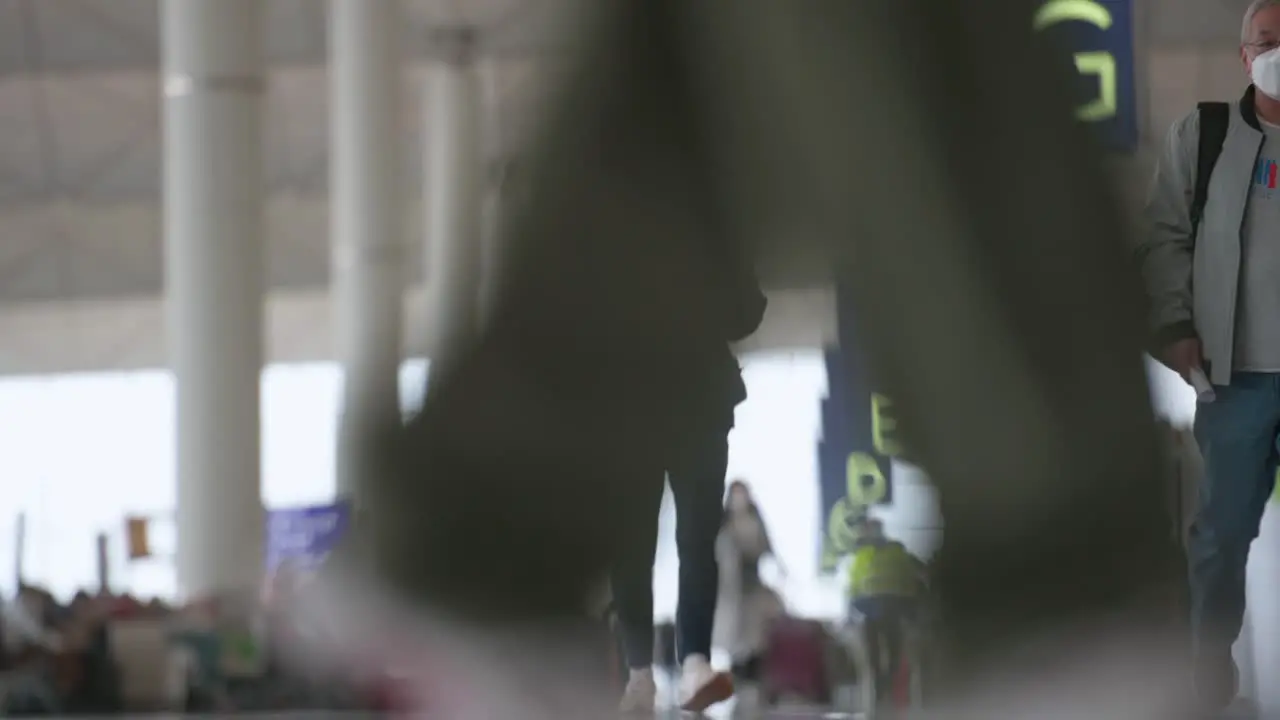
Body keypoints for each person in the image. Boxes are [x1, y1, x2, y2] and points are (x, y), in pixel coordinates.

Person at [1139, 0, 1280, 708]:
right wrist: (1172, 326)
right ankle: (1208, 654)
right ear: (1244, 55)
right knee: (1223, 531)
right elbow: (1166, 238)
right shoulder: (1207, 136)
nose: (1278, 51)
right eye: (1268, 40)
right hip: (1237, 377)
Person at [713, 480, 786, 682]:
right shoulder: (724, 524)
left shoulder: (754, 520)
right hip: (730, 587)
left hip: (752, 583)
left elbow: (766, 547)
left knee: (755, 632)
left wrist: (779, 569)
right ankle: (738, 672)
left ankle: (752, 673)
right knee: (734, 633)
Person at [846, 518, 924, 701]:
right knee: (876, 657)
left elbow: (909, 579)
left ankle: (890, 689)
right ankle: (881, 690)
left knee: (892, 653)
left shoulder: (895, 551)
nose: (863, 534)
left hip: (892, 608)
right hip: (871, 610)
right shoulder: (862, 554)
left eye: (866, 530)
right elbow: (854, 584)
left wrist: (910, 606)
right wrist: (852, 608)